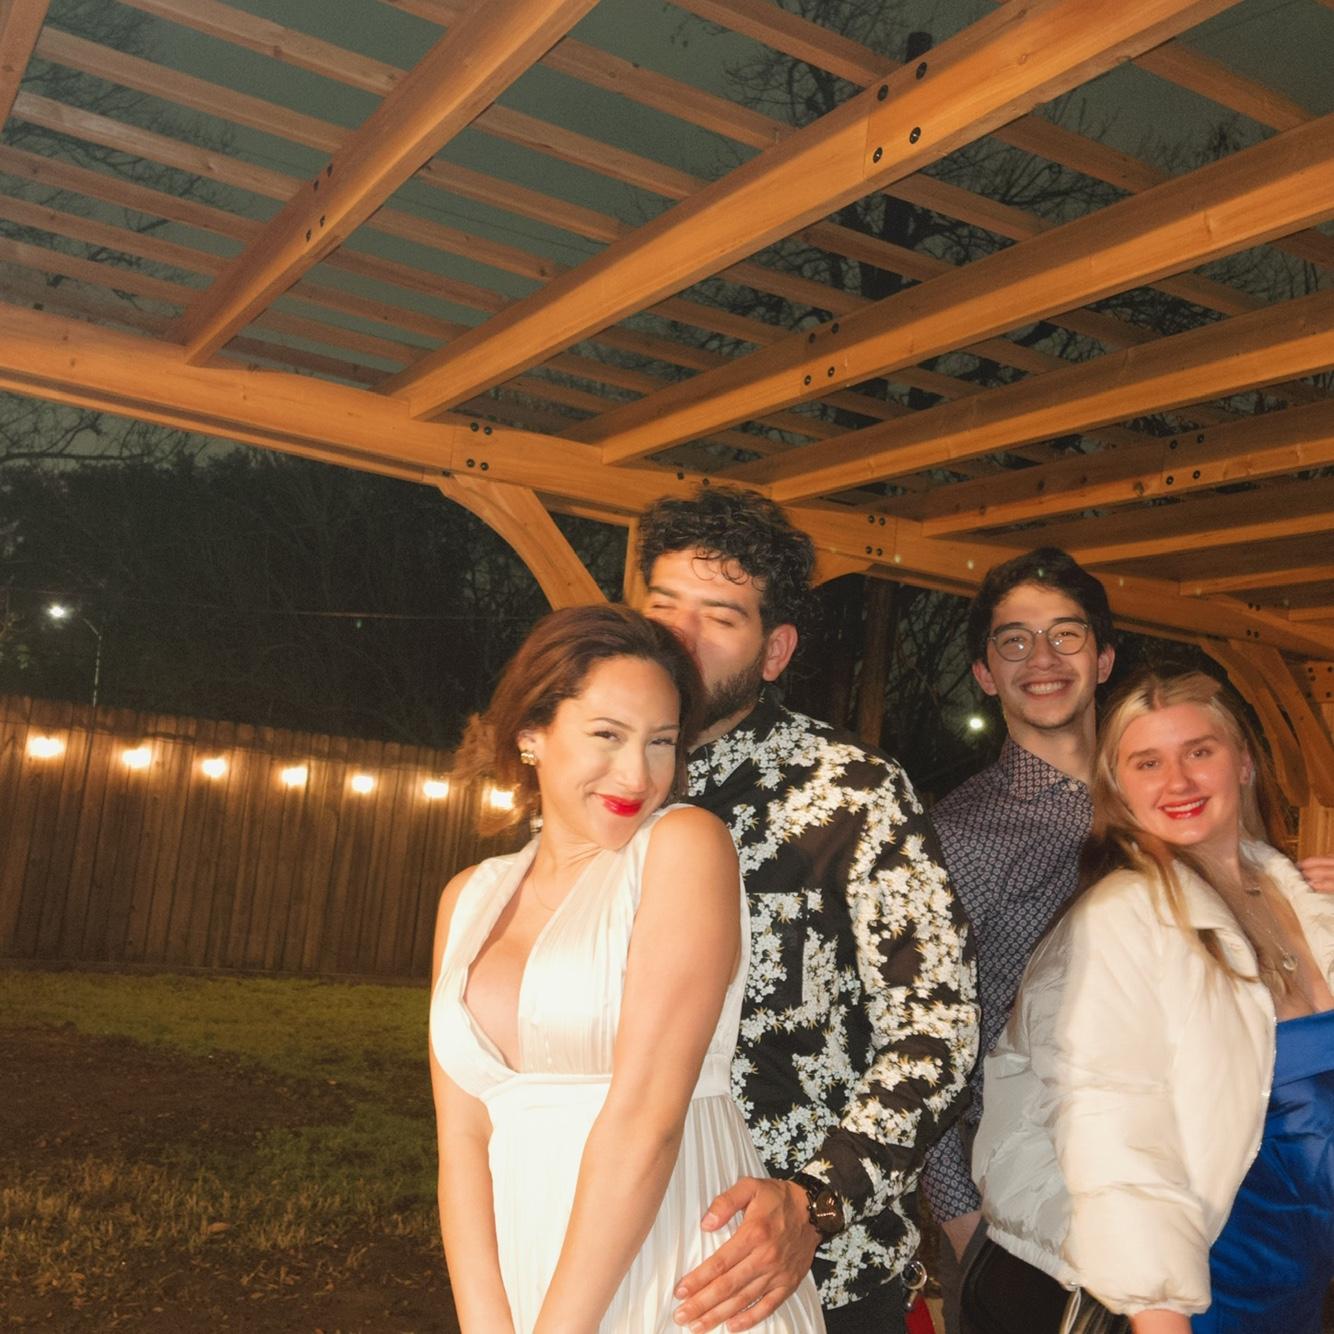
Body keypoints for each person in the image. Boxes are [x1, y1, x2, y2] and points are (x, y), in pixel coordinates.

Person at [636, 486, 978, 1333]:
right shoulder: (603, 789)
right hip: (630, 1251)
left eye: (719, 616)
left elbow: (937, 1028)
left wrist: (815, 1202)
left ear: (775, 650)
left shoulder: (853, 791)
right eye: (663, 605)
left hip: (817, 1274)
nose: (680, 635)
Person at [428, 603, 825, 1332]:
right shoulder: (468, 900)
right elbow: (462, 1141)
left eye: (661, 742)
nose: (638, 773)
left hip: (671, 1271)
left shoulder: (684, 846)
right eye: (607, 735)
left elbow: (647, 1122)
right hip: (522, 1273)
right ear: (531, 734)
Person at [971, 670, 1334, 1332]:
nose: (1179, 781)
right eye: (1148, 763)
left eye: (1199, 751)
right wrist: (1158, 1310)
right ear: (1119, 789)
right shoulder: (1124, 919)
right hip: (1201, 1291)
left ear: (1243, 763)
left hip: (1298, 1283)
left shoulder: (1299, 899)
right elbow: (1114, 1125)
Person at [920, 549, 1115, 1331]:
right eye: (1015, 641)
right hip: (1014, 1211)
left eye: (1066, 634)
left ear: (1102, 659)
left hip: (1162, 1188)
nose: (1043, 658)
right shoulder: (957, 836)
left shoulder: (1162, 802)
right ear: (984, 673)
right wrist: (963, 1219)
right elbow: (922, 1032)